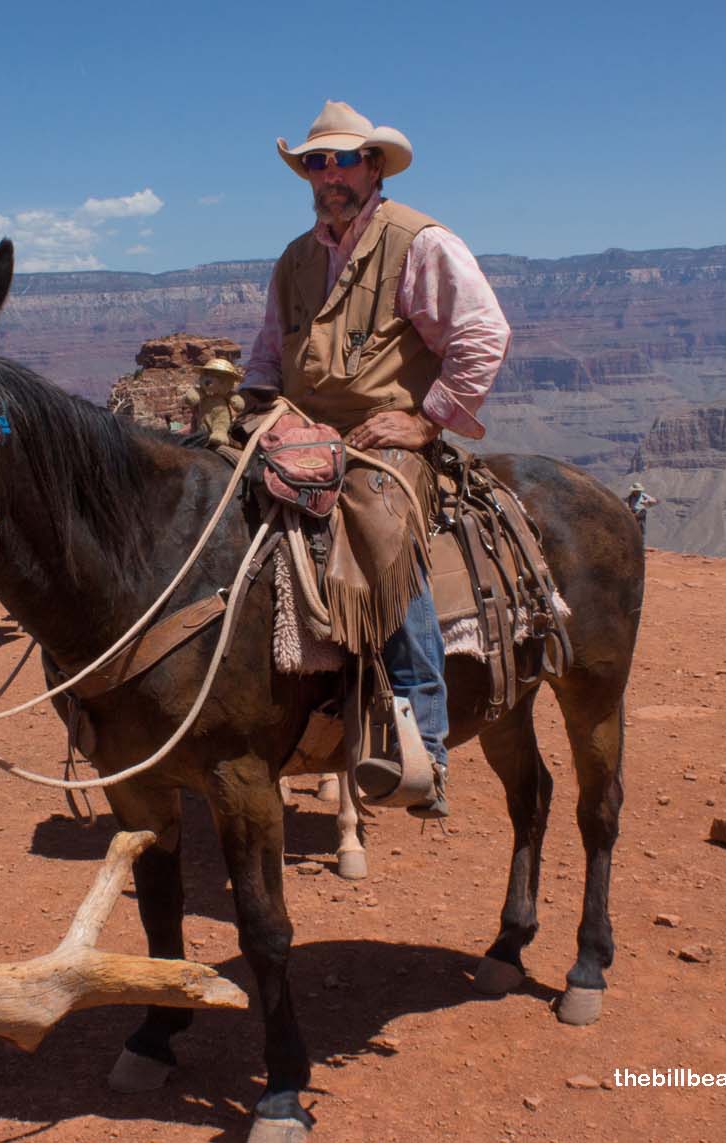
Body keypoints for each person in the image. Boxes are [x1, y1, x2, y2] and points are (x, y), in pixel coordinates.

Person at [239, 100, 511, 818]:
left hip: (379, 437)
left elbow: (482, 333)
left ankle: (422, 739)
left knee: (377, 527)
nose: (327, 175)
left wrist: (426, 421)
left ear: (374, 166)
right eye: (315, 163)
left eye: (340, 161)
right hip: (296, 427)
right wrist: (256, 403)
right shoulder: (296, 258)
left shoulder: (418, 242)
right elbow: (268, 349)